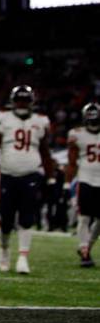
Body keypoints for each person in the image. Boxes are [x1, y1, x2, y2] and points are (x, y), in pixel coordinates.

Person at [0, 86, 54, 274]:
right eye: (19, 100)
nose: (22, 104)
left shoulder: (40, 121)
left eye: (25, 100)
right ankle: (5, 250)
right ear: (13, 101)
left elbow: (46, 152)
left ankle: (23, 257)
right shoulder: (3, 119)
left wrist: (51, 178)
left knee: (27, 217)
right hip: (7, 175)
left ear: (31, 102)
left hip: (31, 174)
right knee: (6, 219)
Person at [65, 102, 100, 268]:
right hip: (85, 178)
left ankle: (87, 247)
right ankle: (85, 251)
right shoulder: (77, 134)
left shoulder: (76, 133)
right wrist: (67, 182)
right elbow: (71, 162)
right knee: (84, 217)